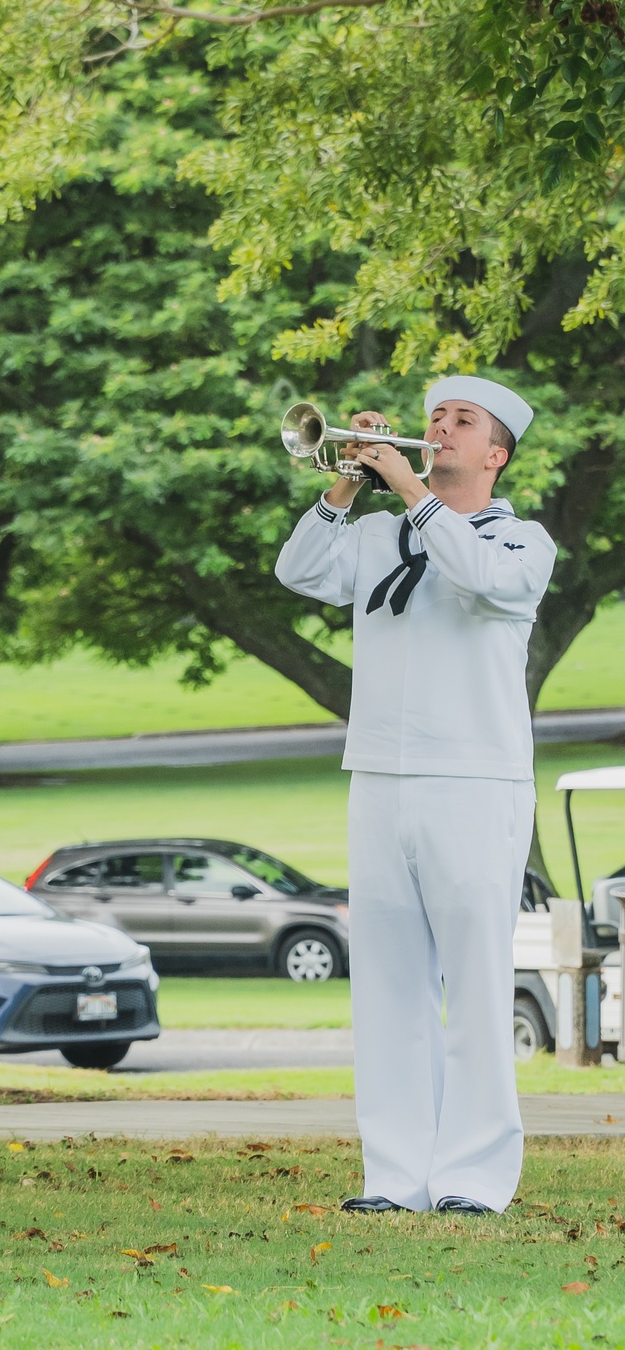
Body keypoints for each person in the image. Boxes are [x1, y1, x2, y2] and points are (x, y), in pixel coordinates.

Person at [275, 375, 556, 1216]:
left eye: (460, 421)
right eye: (435, 416)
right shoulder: (378, 534)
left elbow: (478, 578)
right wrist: (350, 479)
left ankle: (473, 1180)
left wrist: (404, 483)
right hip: (380, 777)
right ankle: (395, 1179)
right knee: (389, 990)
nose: (439, 427)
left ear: (494, 454)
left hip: (475, 781)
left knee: (474, 986)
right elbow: (298, 571)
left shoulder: (524, 542)